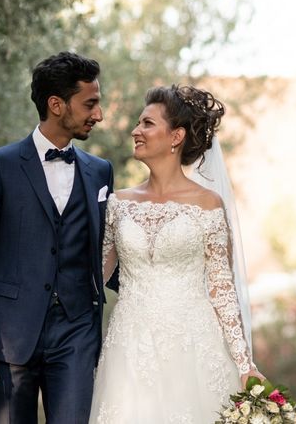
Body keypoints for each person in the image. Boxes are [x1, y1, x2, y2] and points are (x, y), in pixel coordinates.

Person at [89, 85, 264, 423]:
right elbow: (94, 280)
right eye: (139, 124)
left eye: (147, 124)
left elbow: (222, 290)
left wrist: (244, 365)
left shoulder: (208, 205)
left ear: (176, 136)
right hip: (129, 351)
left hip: (194, 350)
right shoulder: (118, 204)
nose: (135, 131)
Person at [0, 51, 115, 423]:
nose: (99, 114)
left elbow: (106, 253)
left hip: (76, 334)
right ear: (56, 105)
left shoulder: (100, 172)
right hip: (10, 336)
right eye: (90, 103)